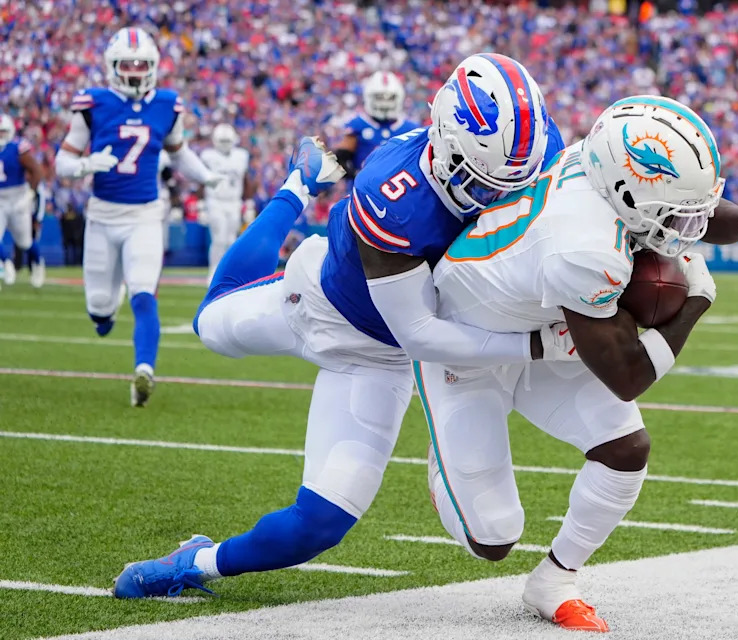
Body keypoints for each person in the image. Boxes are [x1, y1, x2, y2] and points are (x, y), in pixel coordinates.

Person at [112, 53, 572, 599]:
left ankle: (196, 562)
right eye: (484, 184)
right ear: (447, 144)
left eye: (511, 181)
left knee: (321, 524)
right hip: (324, 306)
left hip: (382, 361)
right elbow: (419, 333)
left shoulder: (529, 147)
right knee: (210, 324)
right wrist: (534, 344)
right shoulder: (394, 195)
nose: (500, 198)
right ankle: (298, 185)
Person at [415, 96, 738, 631]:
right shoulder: (586, 247)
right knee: (493, 539)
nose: (693, 223)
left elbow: (687, 207)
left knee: (625, 450)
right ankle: (446, 457)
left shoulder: (600, 165)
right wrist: (696, 303)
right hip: (468, 347)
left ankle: (554, 580)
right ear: (627, 193)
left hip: (543, 324)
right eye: (680, 212)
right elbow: (627, 377)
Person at [54, 27, 222, 407]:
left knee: (144, 295)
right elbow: (62, 161)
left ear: (154, 66)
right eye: (126, 64)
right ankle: (104, 315)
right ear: (111, 67)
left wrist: (206, 175)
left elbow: (179, 154)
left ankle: (144, 371)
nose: (133, 71)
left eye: (141, 64)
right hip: (101, 216)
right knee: (100, 311)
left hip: (145, 214)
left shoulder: (167, 104)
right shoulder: (92, 103)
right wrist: (85, 165)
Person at [334, 71, 419, 180]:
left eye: (390, 98)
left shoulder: (410, 128)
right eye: (379, 97)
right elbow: (340, 161)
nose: (384, 103)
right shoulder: (358, 125)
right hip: (363, 191)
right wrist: (355, 175)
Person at [198, 124, 254, 284]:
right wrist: (201, 204)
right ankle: (213, 271)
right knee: (219, 239)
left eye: (227, 140)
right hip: (215, 201)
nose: (224, 144)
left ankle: (227, 272)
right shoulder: (208, 156)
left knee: (231, 240)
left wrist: (248, 203)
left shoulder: (241, 156)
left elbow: (245, 180)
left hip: (234, 201)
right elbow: (203, 180)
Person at [0, 114, 46, 290]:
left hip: (18, 196)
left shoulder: (17, 148)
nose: (1, 135)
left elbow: (36, 171)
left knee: (25, 242)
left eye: (3, 132)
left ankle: (37, 264)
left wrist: (29, 194)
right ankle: (7, 265)